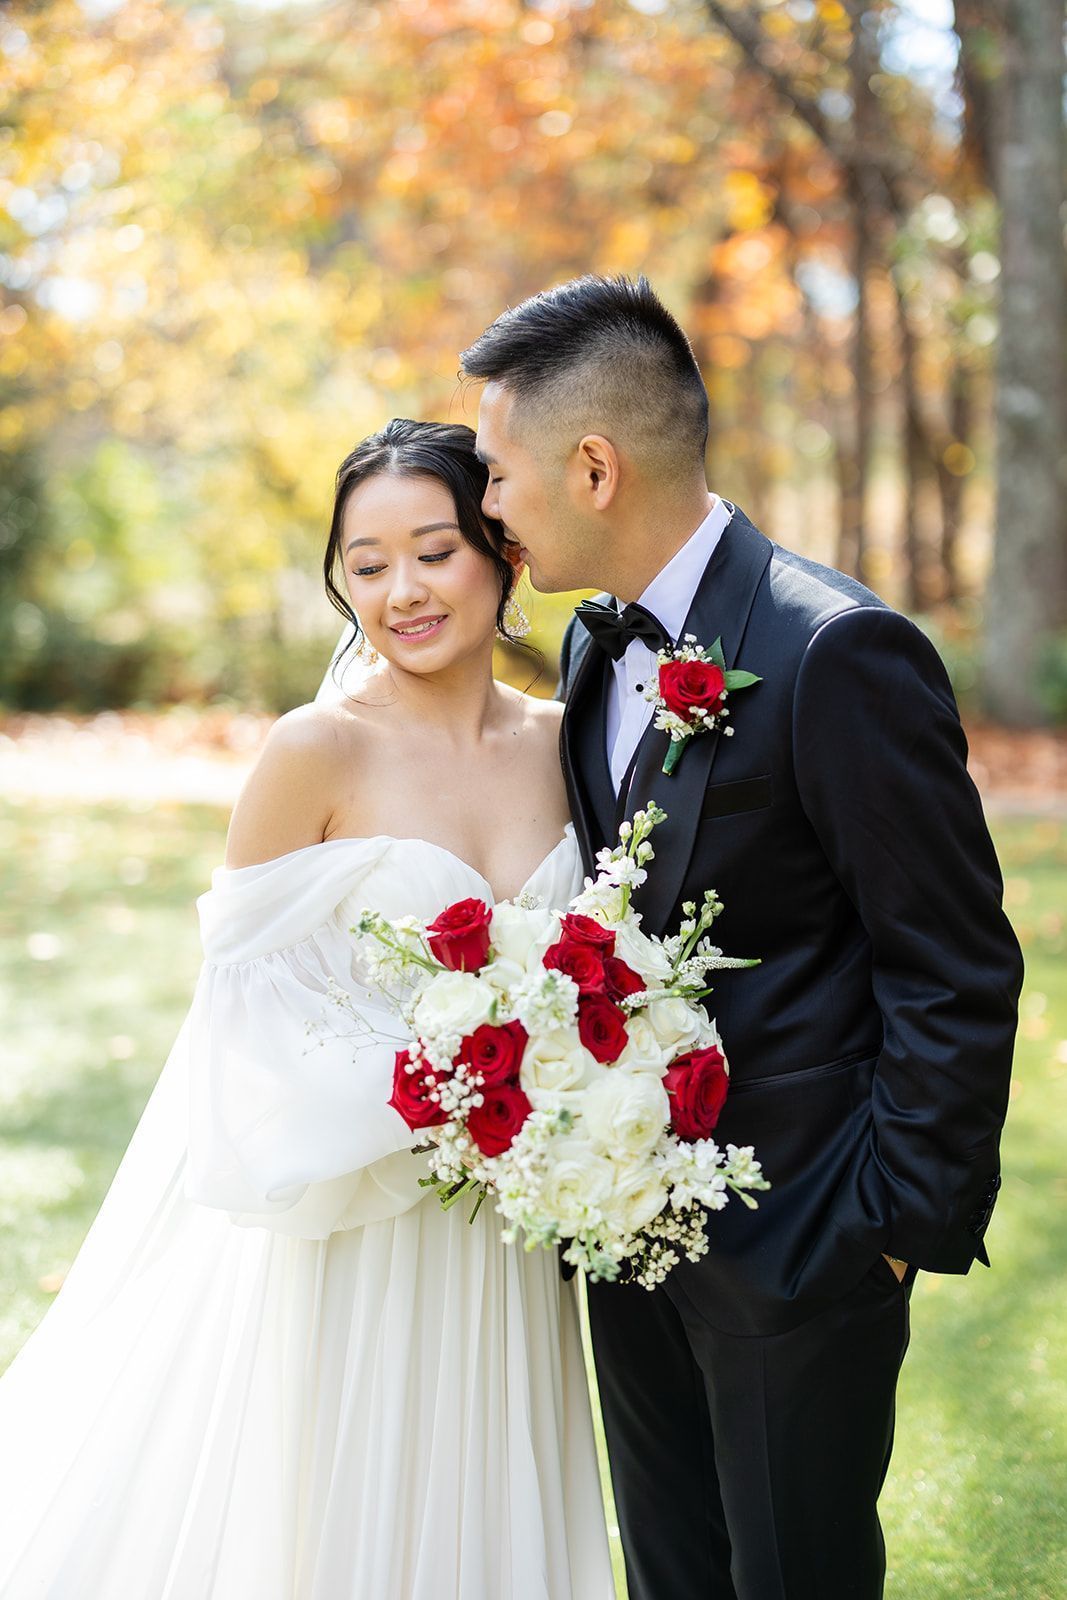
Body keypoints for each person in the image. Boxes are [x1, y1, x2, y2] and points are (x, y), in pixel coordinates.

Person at [462, 275, 1024, 1600]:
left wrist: (885, 1229)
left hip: (799, 1246)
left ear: (591, 466)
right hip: (622, 1232)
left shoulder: (836, 651)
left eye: (496, 470)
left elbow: (950, 966)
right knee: (671, 1575)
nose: (486, 505)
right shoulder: (596, 651)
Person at [0, 419, 615, 1600]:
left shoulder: (568, 746)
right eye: (366, 564)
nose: (401, 591)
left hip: (513, 1237)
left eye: (433, 551)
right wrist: (444, 1093)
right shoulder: (313, 752)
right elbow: (245, 1014)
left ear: (502, 550)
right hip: (359, 1221)